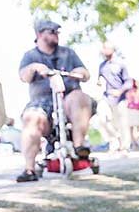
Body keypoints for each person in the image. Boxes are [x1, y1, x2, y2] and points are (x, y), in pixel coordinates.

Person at [16, 20, 94, 182]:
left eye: (57, 32)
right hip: (42, 101)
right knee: (32, 118)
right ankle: (29, 169)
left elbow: (85, 74)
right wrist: (35, 68)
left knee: (79, 97)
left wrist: (80, 72)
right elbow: (24, 76)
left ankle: (79, 148)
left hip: (69, 97)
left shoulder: (68, 53)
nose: (56, 35)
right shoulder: (30, 56)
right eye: (51, 31)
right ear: (39, 34)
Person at [98, 41, 133, 152]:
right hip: (106, 97)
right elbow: (99, 79)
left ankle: (125, 146)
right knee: (102, 118)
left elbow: (129, 82)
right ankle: (114, 139)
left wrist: (120, 91)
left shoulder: (121, 64)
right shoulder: (102, 66)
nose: (104, 50)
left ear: (113, 49)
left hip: (120, 98)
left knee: (123, 122)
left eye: (106, 48)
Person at [125, 81, 139, 150]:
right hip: (138, 111)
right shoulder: (138, 92)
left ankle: (134, 143)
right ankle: (136, 142)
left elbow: (127, 102)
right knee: (138, 128)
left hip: (131, 110)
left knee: (131, 128)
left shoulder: (128, 92)